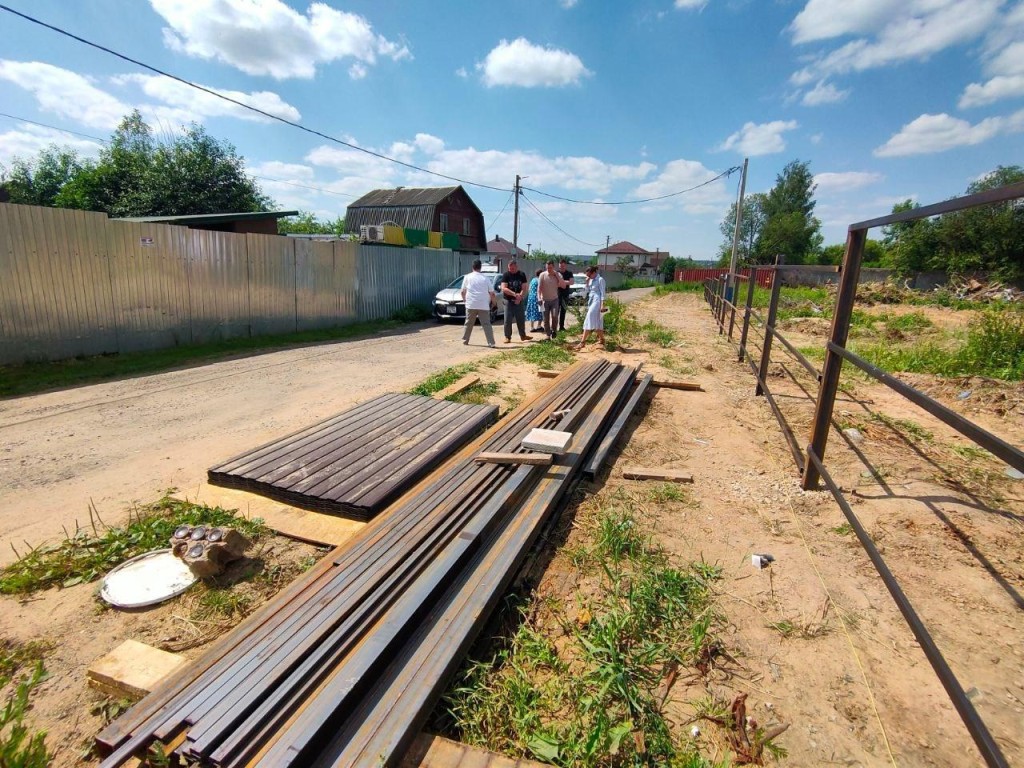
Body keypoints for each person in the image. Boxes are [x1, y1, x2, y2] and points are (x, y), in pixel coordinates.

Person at [460, 259, 496, 347]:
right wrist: (494, 303)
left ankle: (465, 340)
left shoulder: (467, 277)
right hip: (483, 304)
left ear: (472, 267)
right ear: (481, 267)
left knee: (468, 323)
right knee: (486, 324)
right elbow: (492, 293)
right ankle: (491, 343)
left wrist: (465, 301)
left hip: (471, 304)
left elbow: (462, 292)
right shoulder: (485, 278)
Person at [500, 259, 533, 343]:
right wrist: (515, 295)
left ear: (516, 267)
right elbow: (504, 288)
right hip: (508, 300)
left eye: (513, 268)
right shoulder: (506, 275)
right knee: (507, 320)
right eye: (510, 268)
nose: (511, 270)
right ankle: (507, 337)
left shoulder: (522, 274)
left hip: (519, 300)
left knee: (521, 319)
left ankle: (523, 335)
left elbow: (524, 287)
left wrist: (520, 297)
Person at [574, 265, 606, 350]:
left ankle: (582, 342)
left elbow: (603, 294)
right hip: (591, 302)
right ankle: (602, 339)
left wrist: (603, 305)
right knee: (598, 322)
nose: (588, 276)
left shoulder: (600, 280)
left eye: (589, 275)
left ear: (594, 272)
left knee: (589, 318)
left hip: (597, 302)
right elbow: (586, 293)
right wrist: (587, 283)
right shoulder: (590, 280)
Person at [537, 260, 567, 339]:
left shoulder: (558, 275)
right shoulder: (542, 275)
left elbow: (563, 286)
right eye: (547, 268)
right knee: (545, 319)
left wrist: (556, 275)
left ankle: (554, 330)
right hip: (544, 300)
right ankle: (547, 334)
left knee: (554, 316)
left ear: (553, 267)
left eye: (550, 268)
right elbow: (539, 288)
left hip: (554, 300)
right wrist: (539, 298)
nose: (549, 269)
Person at [557, 259, 574, 332]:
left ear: (565, 266)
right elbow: (555, 283)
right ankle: (554, 328)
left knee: (563, 311)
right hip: (556, 295)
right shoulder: (556, 273)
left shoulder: (569, 273)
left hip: (565, 295)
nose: (562, 267)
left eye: (563, 266)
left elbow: (572, 282)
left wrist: (561, 282)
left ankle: (561, 327)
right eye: (560, 266)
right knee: (555, 312)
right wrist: (565, 282)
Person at [526, 268, 543, 333]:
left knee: (532, 311)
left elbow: (529, 289)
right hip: (537, 297)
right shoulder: (540, 280)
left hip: (530, 297)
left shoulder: (533, 279)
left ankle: (532, 327)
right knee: (541, 311)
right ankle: (539, 326)